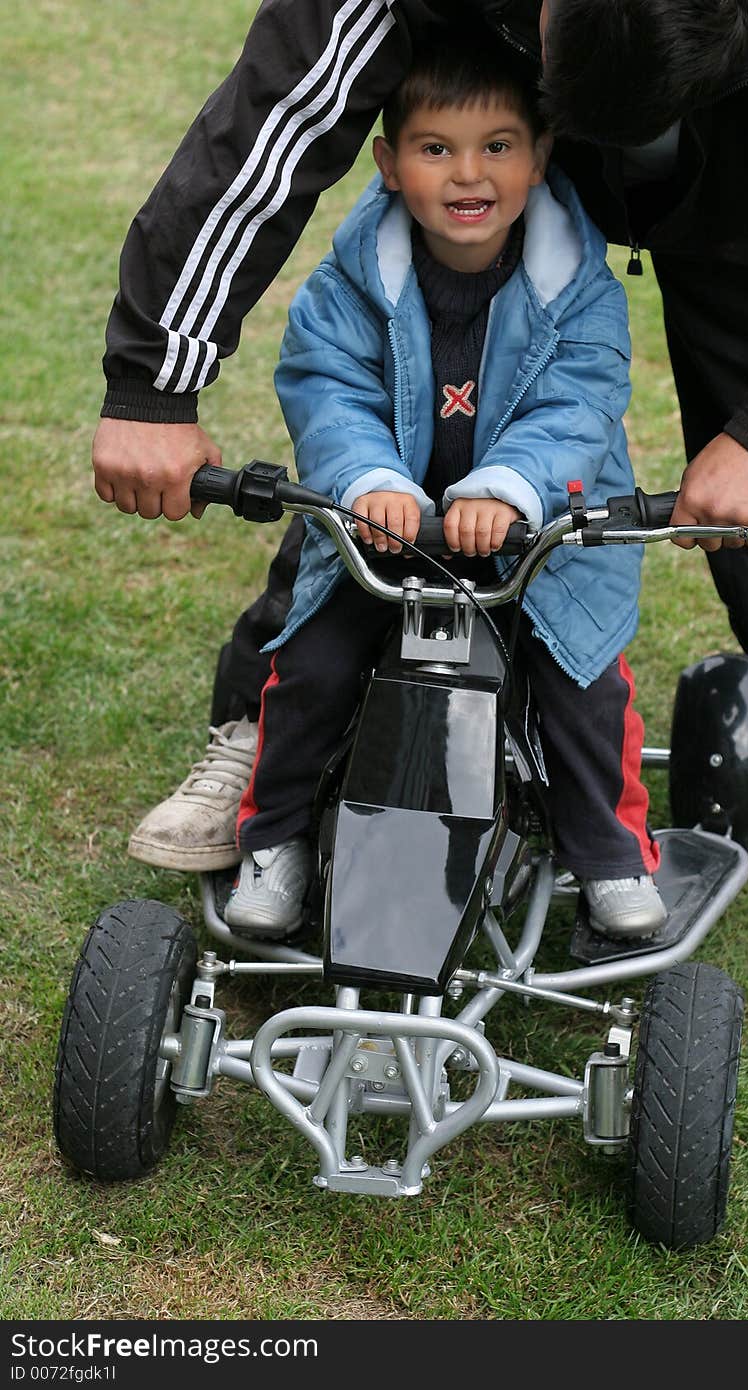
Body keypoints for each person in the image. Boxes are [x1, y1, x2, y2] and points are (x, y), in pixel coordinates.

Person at [95, 0, 748, 899]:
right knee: (392, 432)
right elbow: (280, 115)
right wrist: (155, 378)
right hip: (508, 145)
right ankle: (265, 728)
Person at [218, 32, 666, 938]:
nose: (469, 175)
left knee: (581, 682)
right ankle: (275, 837)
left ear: (540, 157)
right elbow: (326, 388)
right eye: (436, 149)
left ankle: (611, 851)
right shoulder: (351, 280)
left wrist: (507, 489)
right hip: (388, 531)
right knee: (313, 666)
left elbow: (581, 403)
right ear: (388, 164)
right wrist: (369, 480)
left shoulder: (576, 283)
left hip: (544, 535)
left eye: (497, 145)